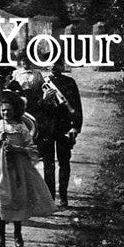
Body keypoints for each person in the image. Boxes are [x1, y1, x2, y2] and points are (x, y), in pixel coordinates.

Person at [0, 92, 56, 247]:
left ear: (15, 110)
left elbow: (31, 149)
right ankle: (0, 238)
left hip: (18, 168)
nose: (6, 113)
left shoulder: (21, 127)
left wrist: (17, 148)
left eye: (8, 110)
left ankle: (17, 234)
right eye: (3, 110)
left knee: (17, 199)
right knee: (1, 200)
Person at [34, 63, 84, 206]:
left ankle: (63, 196)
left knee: (64, 163)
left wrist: (75, 127)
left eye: (58, 62)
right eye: (52, 63)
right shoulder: (41, 83)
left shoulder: (69, 82)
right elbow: (36, 108)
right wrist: (44, 99)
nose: (55, 66)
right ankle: (50, 197)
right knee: (48, 164)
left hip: (64, 128)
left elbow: (76, 106)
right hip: (47, 129)